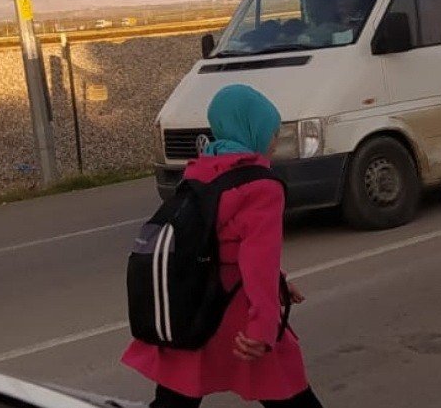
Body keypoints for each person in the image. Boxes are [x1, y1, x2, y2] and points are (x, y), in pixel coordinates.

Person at [122, 84, 325, 408]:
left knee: (175, 398)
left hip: (194, 304)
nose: (274, 141)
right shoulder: (261, 187)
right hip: (237, 314)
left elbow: (219, 239)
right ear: (252, 131)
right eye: (271, 133)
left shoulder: (200, 171)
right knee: (288, 392)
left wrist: (279, 281)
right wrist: (262, 328)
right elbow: (257, 261)